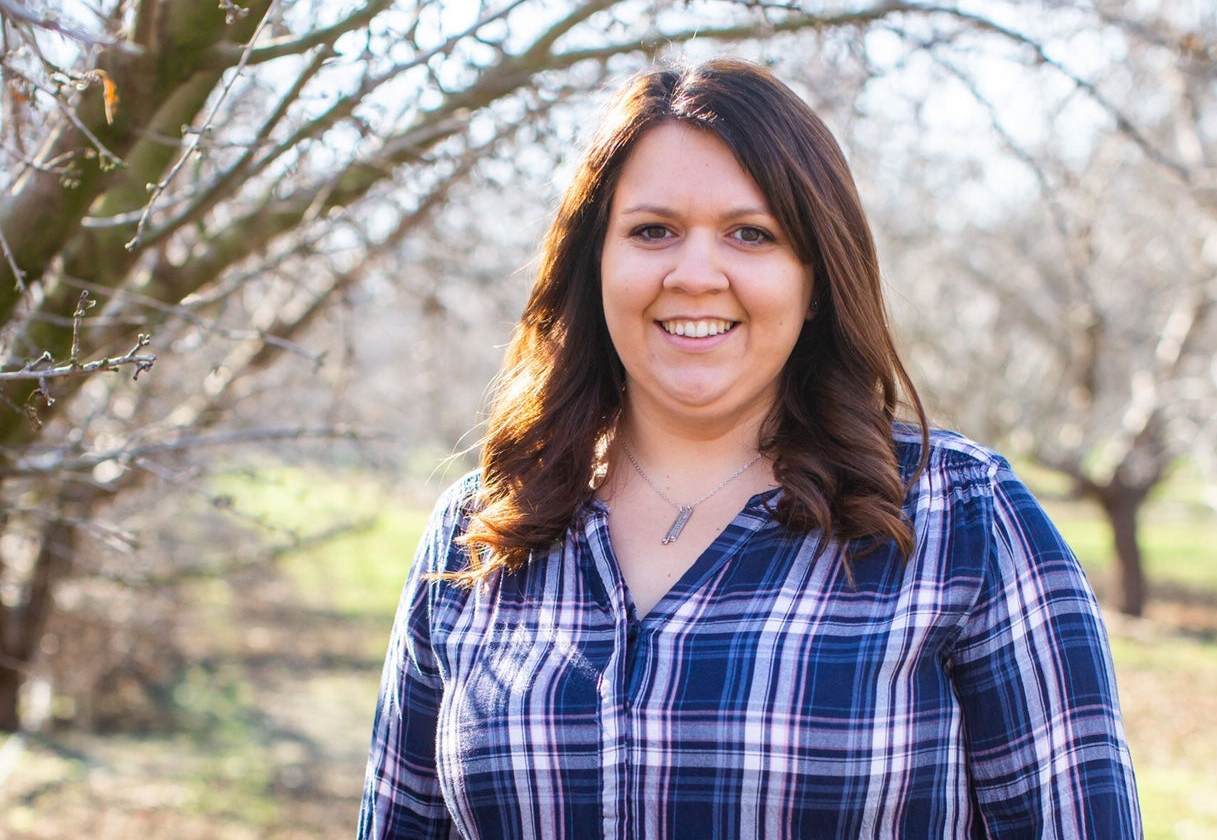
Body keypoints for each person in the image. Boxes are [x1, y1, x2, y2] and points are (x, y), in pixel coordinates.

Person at [358, 58, 1142, 839]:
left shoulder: (962, 521)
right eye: (653, 231)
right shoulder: (482, 539)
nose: (696, 274)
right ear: (595, 264)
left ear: (816, 276)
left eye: (751, 233)